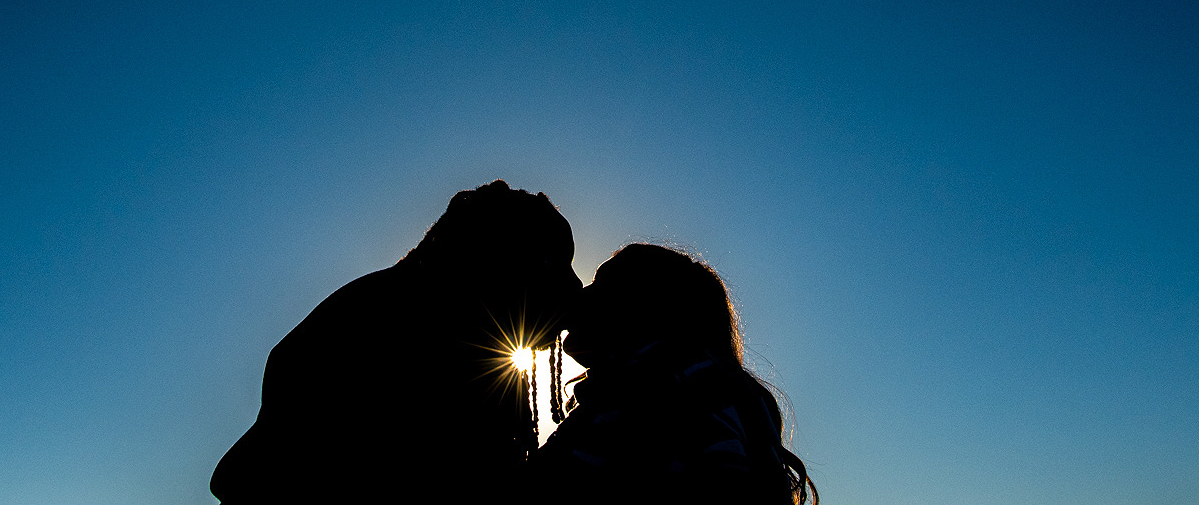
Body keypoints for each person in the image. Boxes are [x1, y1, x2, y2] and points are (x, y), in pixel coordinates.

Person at [211, 179, 581, 504]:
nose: (575, 287)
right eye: (552, 263)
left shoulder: (481, 356)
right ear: (498, 257)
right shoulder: (371, 325)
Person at [531, 243, 818, 505]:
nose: (581, 292)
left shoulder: (660, 385)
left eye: (601, 283)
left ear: (643, 306)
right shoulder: (692, 386)